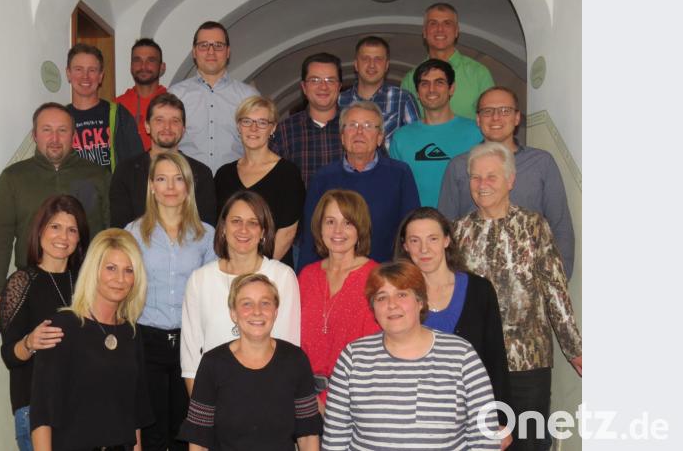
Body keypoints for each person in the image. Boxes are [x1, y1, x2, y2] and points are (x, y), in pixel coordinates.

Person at [453, 142, 582, 451]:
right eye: (475, 177)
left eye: (491, 177)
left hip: (529, 359)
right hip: (475, 363)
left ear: (510, 180)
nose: (482, 185)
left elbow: (555, 290)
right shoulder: (457, 232)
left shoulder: (535, 225)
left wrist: (575, 349)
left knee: (530, 440)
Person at [321, 261, 500, 450]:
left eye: (402, 294)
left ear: (420, 302)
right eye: (381, 298)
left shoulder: (461, 355)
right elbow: (335, 439)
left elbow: (485, 438)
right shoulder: (353, 358)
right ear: (373, 309)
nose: (392, 305)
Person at [393, 206, 511, 448]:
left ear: (447, 240)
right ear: (405, 246)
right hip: (411, 420)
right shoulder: (396, 297)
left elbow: (495, 361)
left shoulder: (480, 291)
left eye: (433, 239)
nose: (424, 249)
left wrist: (500, 420)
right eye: (415, 241)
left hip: (471, 416)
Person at [124, 151, 217, 451]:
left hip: (190, 343)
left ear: (188, 187)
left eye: (178, 179)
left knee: (184, 430)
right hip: (145, 339)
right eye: (162, 179)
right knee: (150, 431)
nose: (170, 187)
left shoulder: (207, 235)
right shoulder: (133, 234)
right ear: (151, 186)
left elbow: (212, 294)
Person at [0, 102, 110, 324]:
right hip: (30, 288)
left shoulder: (98, 176)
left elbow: (111, 233)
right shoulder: (13, 178)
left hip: (87, 287)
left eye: (62, 130)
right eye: (47, 130)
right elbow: (0, 238)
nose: (54, 138)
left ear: (73, 135)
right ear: (35, 135)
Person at [30, 228, 154, 450]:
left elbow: (135, 415)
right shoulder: (62, 327)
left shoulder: (131, 333)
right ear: (93, 270)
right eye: (111, 268)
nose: (120, 279)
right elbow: (42, 415)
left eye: (129, 270)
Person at [439, 86, 576, 276]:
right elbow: (444, 227)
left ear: (517, 118)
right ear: (478, 120)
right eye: (487, 111)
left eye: (505, 110)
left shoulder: (541, 162)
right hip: (473, 278)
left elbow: (560, 225)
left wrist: (559, 275)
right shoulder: (458, 165)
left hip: (529, 279)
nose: (496, 117)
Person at [178, 273, 322, 451]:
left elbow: (308, 436)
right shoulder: (212, 364)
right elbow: (199, 442)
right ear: (233, 313)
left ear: (275, 312)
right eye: (246, 303)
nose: (257, 311)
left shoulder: (296, 360)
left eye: (265, 303)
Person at [181, 191, 301, 394]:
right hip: (214, 396)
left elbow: (288, 351)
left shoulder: (282, 277)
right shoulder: (199, 280)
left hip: (270, 394)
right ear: (223, 228)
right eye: (236, 221)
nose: (243, 229)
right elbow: (191, 359)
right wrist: (204, 413)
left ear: (263, 231)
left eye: (253, 222)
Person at [0, 195, 90, 451]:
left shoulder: (87, 284)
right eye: (55, 227)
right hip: (35, 412)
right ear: (40, 231)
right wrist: (29, 342)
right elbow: (9, 355)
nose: (63, 236)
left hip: (80, 409)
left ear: (80, 238)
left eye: (72, 230)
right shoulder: (22, 281)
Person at [299, 101, 419, 269]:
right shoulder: (323, 178)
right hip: (333, 276)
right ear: (342, 137)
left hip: (386, 277)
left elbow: (412, 231)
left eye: (368, 126)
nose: (359, 132)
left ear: (379, 138)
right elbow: (310, 238)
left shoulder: (400, 174)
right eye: (352, 125)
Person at [297, 190, 379, 411]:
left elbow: (372, 353)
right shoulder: (307, 276)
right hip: (302, 398)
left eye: (348, 223)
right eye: (330, 221)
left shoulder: (376, 278)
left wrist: (326, 400)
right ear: (319, 226)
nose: (338, 231)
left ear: (360, 228)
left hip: (352, 400)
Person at [214, 96, 305, 267]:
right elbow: (221, 228)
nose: (254, 128)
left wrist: (257, 270)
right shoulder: (223, 175)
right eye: (247, 121)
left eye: (262, 122)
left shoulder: (288, 173)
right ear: (238, 127)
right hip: (231, 268)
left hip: (272, 269)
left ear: (273, 128)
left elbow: (287, 234)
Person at [110, 92, 216, 228]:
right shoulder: (126, 171)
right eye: (159, 120)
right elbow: (120, 230)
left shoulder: (201, 173)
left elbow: (205, 230)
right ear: (147, 126)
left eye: (175, 121)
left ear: (183, 129)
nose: (167, 127)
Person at [168, 21, 260, 173]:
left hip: (235, 185)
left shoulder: (249, 96)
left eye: (218, 45)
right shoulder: (175, 95)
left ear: (228, 51)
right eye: (204, 45)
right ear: (194, 52)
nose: (211, 51)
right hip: (187, 185)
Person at [390, 59, 482, 207]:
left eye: (439, 82)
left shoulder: (476, 132)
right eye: (424, 84)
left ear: (451, 88)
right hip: (417, 224)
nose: (431, 89)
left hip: (463, 224)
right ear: (417, 92)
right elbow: (396, 190)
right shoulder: (401, 138)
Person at [400, 2, 495, 120]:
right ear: (424, 32)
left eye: (447, 23)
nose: (440, 29)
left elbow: (492, 120)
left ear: (456, 31)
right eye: (433, 23)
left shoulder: (479, 74)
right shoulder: (409, 80)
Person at [271, 52, 343, 188]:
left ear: (339, 87)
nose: (323, 87)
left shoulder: (357, 128)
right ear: (304, 87)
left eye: (330, 80)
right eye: (315, 80)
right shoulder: (284, 131)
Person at [66, 43, 143, 171]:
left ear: (101, 76)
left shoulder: (119, 115)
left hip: (113, 191)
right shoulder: (59, 117)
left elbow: (138, 164)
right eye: (78, 69)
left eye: (92, 70)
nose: (85, 76)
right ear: (68, 73)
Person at [338, 36, 419, 150]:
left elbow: (415, 143)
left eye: (378, 59)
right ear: (356, 64)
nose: (372, 65)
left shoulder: (403, 99)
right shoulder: (340, 100)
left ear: (386, 65)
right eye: (365, 58)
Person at [116, 38, 168, 151]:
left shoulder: (172, 102)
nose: (143, 66)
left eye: (151, 60)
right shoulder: (117, 105)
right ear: (131, 66)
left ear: (162, 67)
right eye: (137, 60)